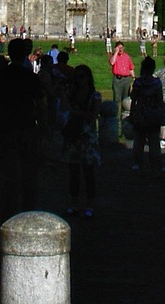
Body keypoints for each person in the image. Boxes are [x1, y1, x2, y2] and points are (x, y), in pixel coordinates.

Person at [0, 38, 44, 223]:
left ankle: (6, 220)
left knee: (7, 176)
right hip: (26, 129)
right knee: (28, 175)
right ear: (25, 54)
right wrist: (44, 128)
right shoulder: (31, 77)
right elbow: (41, 105)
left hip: (5, 129)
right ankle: (28, 217)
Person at [62, 64, 101, 217]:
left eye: (82, 77)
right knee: (73, 171)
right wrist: (64, 93)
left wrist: (75, 112)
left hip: (86, 136)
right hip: (74, 134)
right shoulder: (71, 93)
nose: (79, 80)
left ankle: (90, 204)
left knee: (88, 172)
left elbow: (93, 115)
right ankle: (74, 202)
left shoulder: (94, 95)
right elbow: (64, 108)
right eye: (76, 77)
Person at [128, 56, 165, 173]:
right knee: (154, 142)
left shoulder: (138, 82)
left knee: (138, 142)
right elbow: (160, 99)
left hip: (140, 112)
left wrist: (132, 112)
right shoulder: (156, 83)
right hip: (153, 112)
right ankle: (155, 166)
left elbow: (133, 98)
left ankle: (138, 165)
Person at [108, 40, 135, 140]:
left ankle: (124, 126)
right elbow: (112, 62)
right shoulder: (114, 56)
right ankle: (115, 125)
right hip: (117, 79)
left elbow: (131, 68)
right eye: (119, 48)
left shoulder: (127, 57)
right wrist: (115, 52)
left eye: (122, 48)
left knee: (126, 102)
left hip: (126, 79)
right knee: (116, 101)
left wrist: (134, 78)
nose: (120, 50)